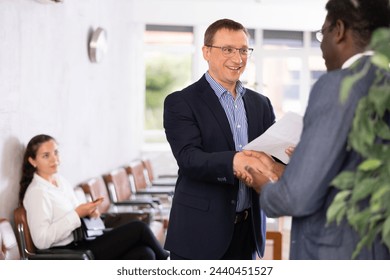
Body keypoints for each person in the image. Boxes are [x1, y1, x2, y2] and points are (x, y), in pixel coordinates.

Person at [238, 0, 390, 259]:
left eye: (323, 33)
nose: (321, 44)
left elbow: (294, 199)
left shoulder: (337, 87)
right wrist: (298, 166)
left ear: (339, 30)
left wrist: (267, 187)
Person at [163, 18, 276, 260]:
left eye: (243, 50)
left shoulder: (261, 104)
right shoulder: (181, 102)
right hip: (199, 233)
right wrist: (235, 162)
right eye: (227, 50)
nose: (237, 59)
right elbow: (189, 159)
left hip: (248, 230)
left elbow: (272, 153)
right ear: (206, 52)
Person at [19, 134, 169, 260]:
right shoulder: (37, 193)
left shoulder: (60, 181)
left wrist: (90, 212)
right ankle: (170, 264)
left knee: (145, 254)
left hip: (85, 240)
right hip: (72, 253)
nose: (54, 159)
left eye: (56, 152)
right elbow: (41, 241)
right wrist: (77, 214)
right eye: (46, 156)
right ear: (32, 161)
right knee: (139, 228)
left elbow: (75, 211)